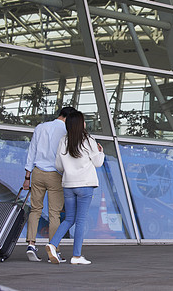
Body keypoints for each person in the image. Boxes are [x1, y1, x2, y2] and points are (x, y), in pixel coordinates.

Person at [46, 111, 104, 265]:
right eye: (83, 121)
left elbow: (58, 166)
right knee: (81, 220)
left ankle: (52, 244)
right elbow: (98, 163)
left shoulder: (63, 141)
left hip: (68, 185)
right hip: (85, 185)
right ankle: (76, 256)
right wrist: (101, 152)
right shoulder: (89, 140)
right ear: (80, 124)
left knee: (69, 219)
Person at [24, 106, 77, 262]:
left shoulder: (40, 127)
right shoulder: (66, 132)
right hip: (55, 174)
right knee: (54, 214)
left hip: (37, 172)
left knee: (35, 210)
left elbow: (31, 152)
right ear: (68, 118)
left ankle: (31, 244)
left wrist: (27, 176)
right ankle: (54, 249)